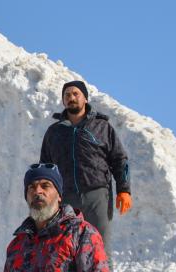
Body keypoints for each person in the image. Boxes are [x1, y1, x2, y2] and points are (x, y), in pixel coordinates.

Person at [39, 80, 132, 248]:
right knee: (66, 249)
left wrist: (124, 190)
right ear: (63, 100)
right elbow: (45, 169)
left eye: (76, 94)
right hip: (65, 199)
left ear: (85, 99)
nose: (71, 98)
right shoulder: (54, 132)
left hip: (97, 196)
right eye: (67, 95)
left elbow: (119, 159)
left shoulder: (102, 127)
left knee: (99, 247)